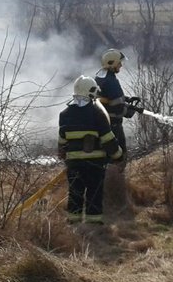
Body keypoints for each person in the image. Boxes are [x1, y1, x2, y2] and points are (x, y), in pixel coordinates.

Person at [58, 76, 123, 224]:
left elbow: (62, 141)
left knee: (75, 194)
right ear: (90, 92)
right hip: (95, 164)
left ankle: (74, 225)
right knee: (94, 194)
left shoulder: (64, 114)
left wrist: (63, 154)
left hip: (74, 164)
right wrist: (118, 156)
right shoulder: (97, 113)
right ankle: (94, 227)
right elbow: (108, 139)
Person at [94, 49, 141, 163]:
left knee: (104, 155)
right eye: (119, 63)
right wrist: (129, 111)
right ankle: (115, 179)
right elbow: (117, 106)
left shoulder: (100, 76)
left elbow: (110, 98)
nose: (121, 65)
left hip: (101, 124)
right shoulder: (111, 81)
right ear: (112, 63)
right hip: (113, 124)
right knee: (119, 156)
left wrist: (127, 99)